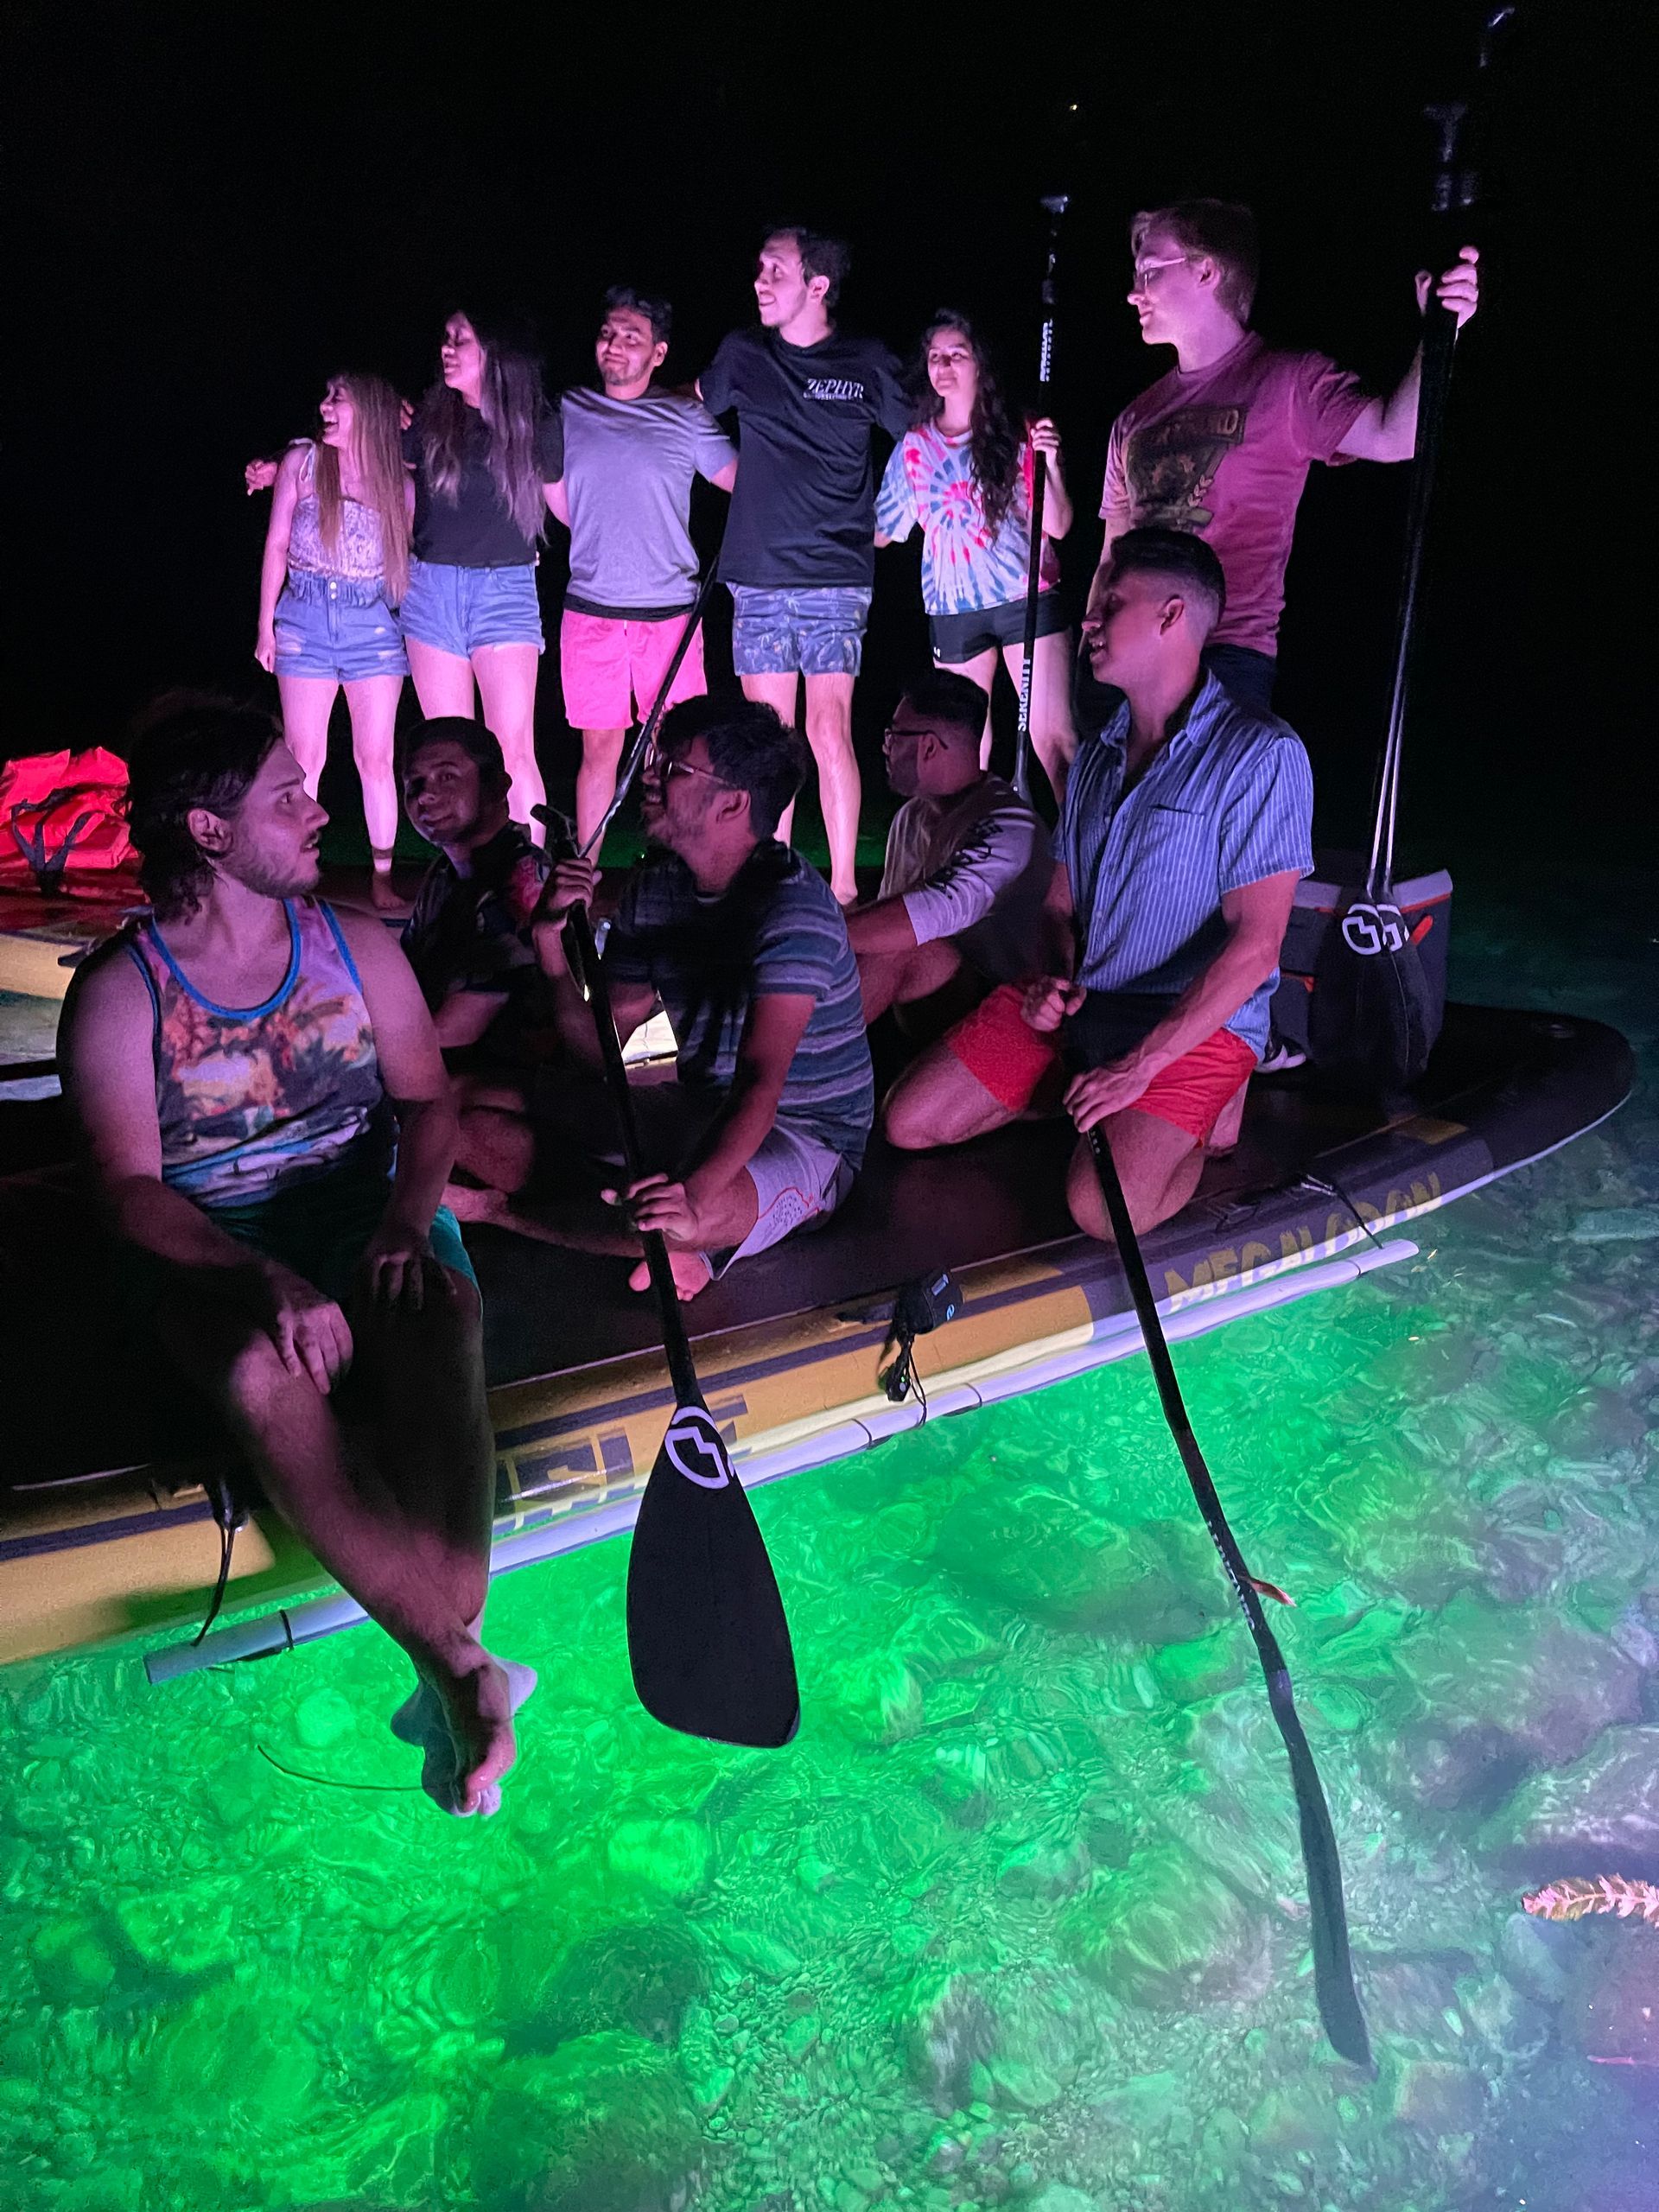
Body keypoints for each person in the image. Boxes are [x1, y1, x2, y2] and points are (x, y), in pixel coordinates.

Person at [58, 695, 529, 1818]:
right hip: (216, 1241)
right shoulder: (122, 993)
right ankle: (460, 1667)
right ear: (210, 832)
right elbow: (129, 1192)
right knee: (260, 1371)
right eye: (286, 797)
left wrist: (406, 1224)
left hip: (363, 1211)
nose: (317, 814)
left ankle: (454, 1672)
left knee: (443, 1312)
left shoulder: (353, 945)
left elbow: (427, 1104)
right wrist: (261, 1279)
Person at [892, 529, 1312, 1251]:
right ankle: (1104, 1102)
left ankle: (1206, 1105)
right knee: (909, 1123)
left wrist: (1141, 1066)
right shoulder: (1093, 757)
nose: (1087, 622)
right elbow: (1059, 906)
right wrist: (1053, 976)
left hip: (1192, 1021)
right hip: (1089, 1002)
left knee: (1102, 1210)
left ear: (1172, 617)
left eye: (1110, 602)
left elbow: (1255, 948)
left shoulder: (1261, 755)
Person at [476, 697, 874, 1301]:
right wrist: (549, 941)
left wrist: (691, 1194)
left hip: (808, 1137)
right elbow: (599, 1051)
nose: (651, 779)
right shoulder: (655, 890)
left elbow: (761, 1084)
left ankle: (502, 1212)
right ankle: (660, 1226)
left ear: (734, 803)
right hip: (701, 1107)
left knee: (677, 1225)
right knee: (468, 1108)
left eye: (675, 769)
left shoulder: (794, 911)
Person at [1084, 199, 1482, 716]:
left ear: (1207, 271)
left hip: (1224, 660)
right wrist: (1091, 647)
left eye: (1151, 271)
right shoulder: (1133, 419)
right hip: (1129, 661)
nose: (1135, 291)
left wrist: (1440, 332)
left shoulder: (1289, 382)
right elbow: (1113, 550)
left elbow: (1396, 436)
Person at [698, 227, 910, 904]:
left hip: (836, 571)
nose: (760, 280)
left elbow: (926, 436)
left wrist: (893, 518)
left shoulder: (867, 361)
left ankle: (845, 889)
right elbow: (682, 411)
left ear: (816, 286)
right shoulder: (742, 355)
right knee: (770, 737)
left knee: (826, 726)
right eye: (758, 267)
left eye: (776, 270)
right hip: (757, 570)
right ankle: (777, 880)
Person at [550, 287, 737, 850]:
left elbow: (746, 485)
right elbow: (551, 495)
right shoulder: (569, 410)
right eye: (609, 333)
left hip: (670, 614)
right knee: (599, 750)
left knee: (677, 751)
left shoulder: (683, 416)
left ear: (658, 352)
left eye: (631, 337)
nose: (614, 346)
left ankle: (671, 868)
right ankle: (587, 874)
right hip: (592, 608)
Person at [846, 671, 1056, 1145]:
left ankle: (791, 1079)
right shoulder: (913, 817)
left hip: (1022, 1014)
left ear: (928, 747)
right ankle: (791, 1072)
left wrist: (813, 930)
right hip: (953, 999)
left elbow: (935, 911)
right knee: (888, 939)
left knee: (897, 942)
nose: (884, 747)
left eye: (893, 736)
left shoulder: (1005, 826)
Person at [875, 312, 1077, 801]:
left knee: (1052, 739)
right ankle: (972, 852)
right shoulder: (914, 447)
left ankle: (1083, 850)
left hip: (1024, 598)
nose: (943, 366)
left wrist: (1047, 463)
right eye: (935, 357)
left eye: (956, 355)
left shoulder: (1020, 430)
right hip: (953, 608)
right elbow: (881, 533)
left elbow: (1058, 525)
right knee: (963, 748)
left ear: (979, 365)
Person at [399, 308, 566, 839]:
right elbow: (364, 454)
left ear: (493, 351)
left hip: (505, 589)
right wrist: (288, 460)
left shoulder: (535, 424)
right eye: (446, 337)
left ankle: (531, 873)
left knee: (512, 745)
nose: (447, 348)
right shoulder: (429, 418)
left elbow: (568, 510)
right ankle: (465, 875)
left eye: (460, 339)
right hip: (432, 590)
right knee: (448, 750)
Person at [252, 374, 411, 911]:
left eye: (337, 397)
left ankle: (382, 877)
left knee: (375, 757)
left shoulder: (399, 485)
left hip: (372, 627)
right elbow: (276, 546)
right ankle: (299, 876)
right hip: (304, 620)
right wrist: (264, 626)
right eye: (324, 394)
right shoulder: (301, 463)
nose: (324, 405)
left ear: (367, 408)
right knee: (305, 756)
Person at [398, 718, 551, 1198]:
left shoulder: (523, 881)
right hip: (456, 1071)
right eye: (414, 785)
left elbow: (455, 1027)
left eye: (447, 777)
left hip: (518, 1089)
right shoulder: (448, 873)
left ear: (497, 787)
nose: (425, 797)